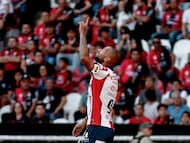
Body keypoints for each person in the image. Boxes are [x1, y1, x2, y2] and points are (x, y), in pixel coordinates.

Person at [72, 17, 120, 143]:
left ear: (108, 59)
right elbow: (99, 106)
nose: (98, 50)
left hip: (98, 128)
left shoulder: (103, 72)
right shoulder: (110, 76)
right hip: (102, 127)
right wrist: (84, 122)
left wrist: (82, 34)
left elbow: (84, 58)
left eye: (102, 50)